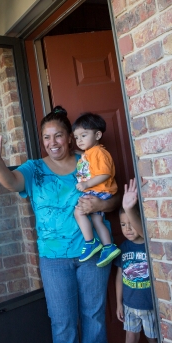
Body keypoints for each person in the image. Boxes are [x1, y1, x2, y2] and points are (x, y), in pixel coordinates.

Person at [0, 106, 117, 343]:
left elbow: (111, 200)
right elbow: (11, 182)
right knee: (63, 321)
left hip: (93, 254)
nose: (53, 142)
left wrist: (99, 206)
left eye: (59, 135)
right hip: (54, 259)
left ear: (70, 137)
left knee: (94, 317)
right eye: (47, 137)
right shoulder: (34, 169)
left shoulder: (87, 161)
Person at [115, 179, 164, 343]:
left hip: (149, 305)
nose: (128, 229)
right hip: (131, 306)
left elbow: (142, 231)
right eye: (123, 225)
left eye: (131, 224)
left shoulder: (147, 243)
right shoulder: (123, 248)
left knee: (153, 340)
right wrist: (118, 303)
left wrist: (129, 207)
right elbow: (119, 276)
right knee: (131, 341)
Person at [72, 113, 120, 267]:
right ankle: (108, 247)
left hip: (99, 190)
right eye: (76, 137)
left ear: (98, 135)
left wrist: (87, 185)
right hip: (99, 191)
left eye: (83, 135)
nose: (79, 140)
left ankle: (90, 242)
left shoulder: (98, 152)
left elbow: (105, 173)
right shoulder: (90, 152)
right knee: (97, 219)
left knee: (78, 212)